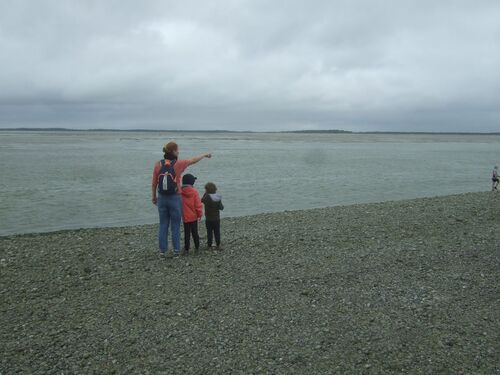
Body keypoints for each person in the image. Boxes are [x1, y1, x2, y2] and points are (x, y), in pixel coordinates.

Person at [152, 142, 211, 257]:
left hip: (162, 198)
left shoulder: (158, 164)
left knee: (163, 224)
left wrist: (154, 197)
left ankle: (162, 251)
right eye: (177, 150)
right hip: (175, 198)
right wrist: (204, 155)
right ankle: (176, 251)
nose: (178, 152)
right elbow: (193, 160)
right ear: (173, 151)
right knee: (175, 225)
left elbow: (154, 183)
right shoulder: (178, 164)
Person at [181, 174, 203, 254]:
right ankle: (197, 247)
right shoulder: (194, 192)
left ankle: (186, 248)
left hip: (185, 216)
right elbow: (198, 205)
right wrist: (200, 214)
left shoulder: (180, 191)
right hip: (193, 216)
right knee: (195, 232)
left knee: (187, 233)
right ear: (192, 182)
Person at [202, 182, 224, 250]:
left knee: (209, 232)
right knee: (217, 232)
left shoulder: (207, 197)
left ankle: (209, 245)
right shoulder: (217, 197)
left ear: (207, 190)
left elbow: (201, 200)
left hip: (208, 219)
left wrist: (205, 193)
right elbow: (221, 208)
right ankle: (218, 245)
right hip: (216, 218)